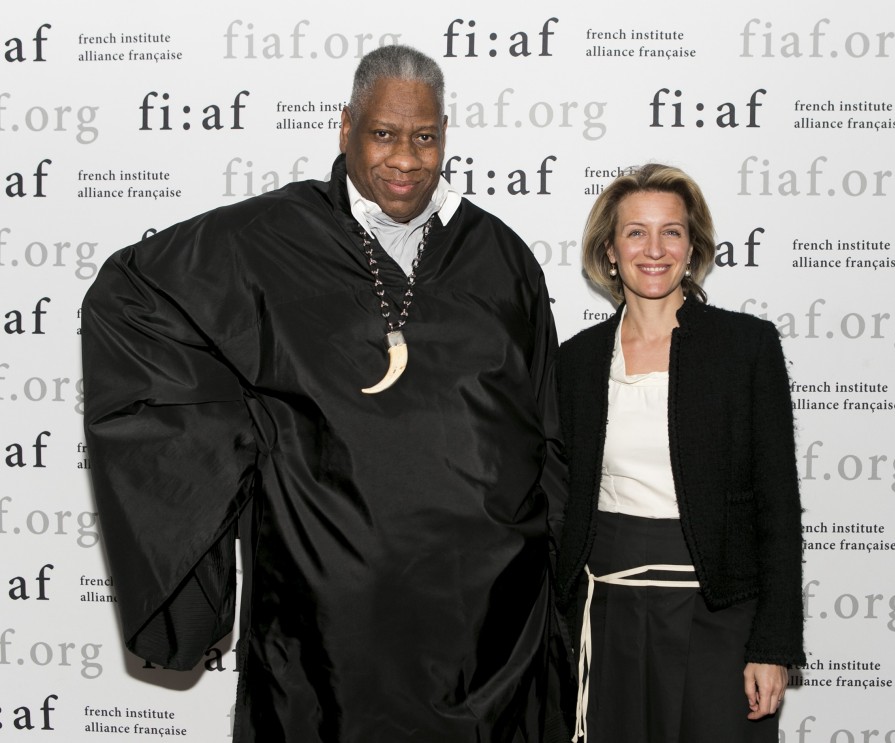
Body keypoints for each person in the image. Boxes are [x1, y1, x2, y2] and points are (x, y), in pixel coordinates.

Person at [82, 45, 570, 742]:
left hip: (486, 629)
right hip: (328, 631)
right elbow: (131, 300)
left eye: (425, 137)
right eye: (384, 134)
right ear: (346, 128)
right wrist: (237, 439)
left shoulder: (499, 255)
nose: (406, 158)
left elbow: (546, 430)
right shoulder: (269, 240)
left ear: (445, 139)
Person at [553, 164, 804, 741]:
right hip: (606, 613)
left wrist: (773, 645)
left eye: (672, 231)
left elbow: (778, 507)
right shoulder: (577, 361)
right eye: (635, 232)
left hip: (718, 616)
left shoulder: (746, 347)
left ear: (692, 248)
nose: (654, 248)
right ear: (609, 251)